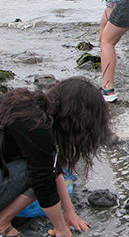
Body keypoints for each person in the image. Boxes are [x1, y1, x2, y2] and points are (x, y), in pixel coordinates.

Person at [0, 77, 112, 237]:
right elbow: (44, 179)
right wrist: (60, 228)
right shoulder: (36, 127)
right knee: (39, 174)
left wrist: (69, 212)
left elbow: (51, 162)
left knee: (42, 167)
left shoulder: (30, 107)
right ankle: (2, 222)